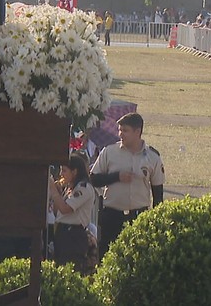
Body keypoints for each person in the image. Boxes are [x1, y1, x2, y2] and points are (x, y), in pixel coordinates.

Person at [89, 113, 164, 260]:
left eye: (125, 130)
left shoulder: (152, 157)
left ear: (137, 132)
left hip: (138, 216)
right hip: (112, 215)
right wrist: (116, 177)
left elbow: (158, 193)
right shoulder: (109, 152)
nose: (120, 134)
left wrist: (156, 221)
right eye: (119, 130)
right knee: (108, 258)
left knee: (137, 258)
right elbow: (94, 179)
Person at [48, 151, 97, 273]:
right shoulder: (70, 188)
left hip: (73, 235)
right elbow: (57, 212)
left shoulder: (83, 188)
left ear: (74, 172)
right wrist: (58, 194)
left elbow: (65, 209)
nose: (61, 174)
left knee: (71, 270)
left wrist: (53, 191)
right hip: (62, 232)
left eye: (64, 170)